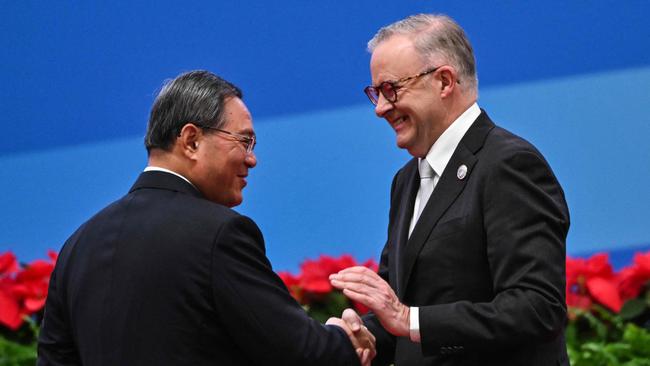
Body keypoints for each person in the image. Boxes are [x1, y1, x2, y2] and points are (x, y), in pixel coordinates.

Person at [37, 70, 375, 365]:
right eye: (244, 141)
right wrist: (342, 338)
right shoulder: (219, 233)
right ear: (191, 140)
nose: (252, 159)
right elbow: (304, 353)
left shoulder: (78, 244)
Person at [330, 14, 570, 366]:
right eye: (375, 93)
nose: (380, 108)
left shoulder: (509, 164)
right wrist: (359, 334)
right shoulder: (406, 180)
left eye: (390, 89)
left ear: (444, 81)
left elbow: (536, 308)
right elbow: (402, 307)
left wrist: (408, 320)